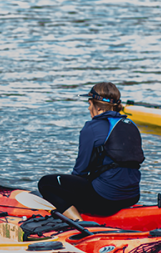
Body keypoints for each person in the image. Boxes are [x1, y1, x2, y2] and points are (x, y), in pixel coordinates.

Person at [37, 82, 144, 221]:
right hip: (132, 196)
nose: (88, 108)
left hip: (106, 200)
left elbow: (80, 170)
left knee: (45, 183)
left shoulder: (92, 127)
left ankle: (79, 223)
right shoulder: (131, 125)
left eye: (89, 104)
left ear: (97, 106)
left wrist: (66, 193)